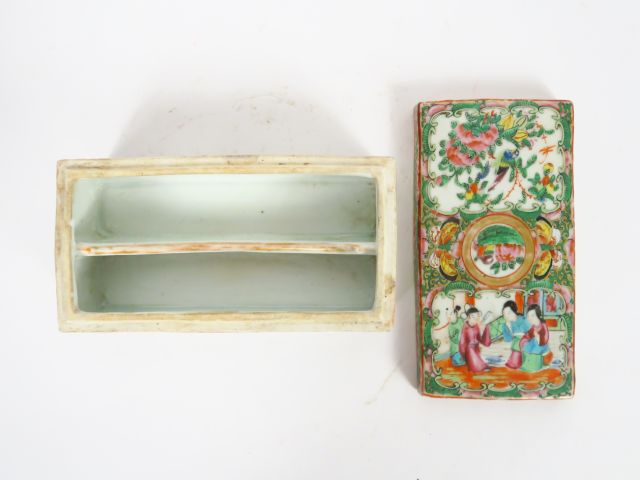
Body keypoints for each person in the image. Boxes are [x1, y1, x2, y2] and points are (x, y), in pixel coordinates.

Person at [486, 300, 531, 369]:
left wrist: (518, 335)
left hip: (527, 347)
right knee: (511, 364)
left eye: (508, 313)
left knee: (517, 364)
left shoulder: (523, 320)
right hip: (516, 348)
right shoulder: (505, 324)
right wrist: (509, 328)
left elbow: (530, 334)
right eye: (504, 314)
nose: (506, 316)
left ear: (514, 312)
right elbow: (508, 339)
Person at [458, 307, 492, 372]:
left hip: (476, 348)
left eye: (477, 317)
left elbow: (479, 338)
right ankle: (478, 366)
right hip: (468, 350)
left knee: (479, 358)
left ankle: (480, 365)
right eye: (473, 317)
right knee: (474, 360)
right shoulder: (465, 328)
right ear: (468, 317)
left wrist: (486, 329)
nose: (475, 319)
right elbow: (462, 343)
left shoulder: (476, 326)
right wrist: (463, 355)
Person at [519, 304, 551, 372]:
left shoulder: (543, 325)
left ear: (537, 315)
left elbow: (545, 338)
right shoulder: (533, 326)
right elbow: (528, 335)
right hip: (534, 343)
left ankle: (536, 365)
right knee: (526, 347)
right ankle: (527, 364)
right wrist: (523, 341)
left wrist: (538, 337)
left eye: (532, 315)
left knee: (534, 351)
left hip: (541, 344)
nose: (530, 318)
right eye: (528, 316)